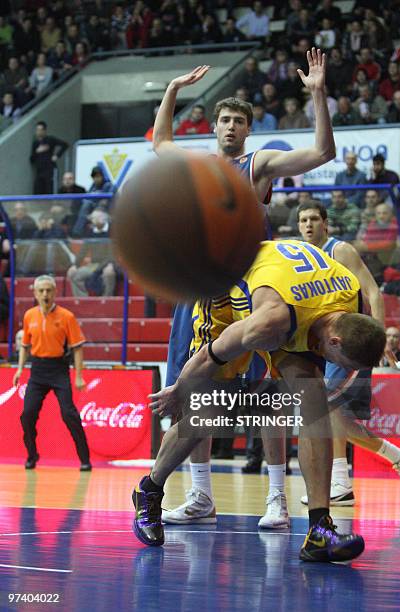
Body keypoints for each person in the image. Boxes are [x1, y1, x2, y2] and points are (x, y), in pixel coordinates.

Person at [133, 52, 373, 561]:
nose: (231, 128)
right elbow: (160, 144)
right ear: (214, 125)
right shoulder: (197, 165)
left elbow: (323, 150)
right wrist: (173, 90)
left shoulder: (256, 164)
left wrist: (318, 94)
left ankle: (317, 523)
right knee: (205, 408)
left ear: (247, 130)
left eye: (240, 121)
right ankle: (155, 488)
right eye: (224, 119)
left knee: (304, 401)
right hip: (216, 300)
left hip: (261, 292)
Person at [134, 238, 386, 561]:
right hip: (229, 290)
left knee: (314, 398)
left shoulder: (351, 295)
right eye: (344, 364)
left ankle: (319, 530)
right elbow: (213, 355)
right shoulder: (270, 321)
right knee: (211, 409)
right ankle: (150, 490)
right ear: (335, 340)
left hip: (294, 301)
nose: (342, 370)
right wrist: (180, 389)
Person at [297, 202, 400, 506]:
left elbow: (373, 291)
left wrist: (377, 339)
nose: (308, 225)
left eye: (314, 219)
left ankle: (396, 460)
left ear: (325, 223)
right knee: (333, 413)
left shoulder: (340, 251)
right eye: (303, 220)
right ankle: (346, 481)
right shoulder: (300, 256)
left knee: (326, 412)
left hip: (350, 343)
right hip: (325, 345)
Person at [13, 275, 91, 471]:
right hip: (37, 370)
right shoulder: (30, 315)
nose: (45, 294)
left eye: (48, 290)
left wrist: (79, 375)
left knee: (68, 414)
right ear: (35, 293)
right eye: (41, 291)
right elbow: (25, 345)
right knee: (27, 414)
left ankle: (84, 459)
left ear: (55, 292)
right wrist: (20, 369)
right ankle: (32, 454)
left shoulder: (67, 316)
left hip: (59, 369)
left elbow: (77, 348)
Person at [67, 208, 116, 297]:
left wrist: (105, 266)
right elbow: (83, 251)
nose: (94, 220)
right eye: (93, 218)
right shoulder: (90, 232)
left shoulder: (113, 230)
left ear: (104, 218)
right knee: (73, 274)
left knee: (109, 272)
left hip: (110, 263)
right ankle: (83, 300)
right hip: (94, 265)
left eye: (97, 218)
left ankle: (107, 299)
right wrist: (75, 265)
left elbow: (113, 254)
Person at [29, 121, 68, 195]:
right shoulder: (35, 143)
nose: (38, 132)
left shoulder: (50, 139)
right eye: (37, 130)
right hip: (39, 171)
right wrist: (37, 151)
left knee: (49, 190)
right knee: (37, 191)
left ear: (44, 131)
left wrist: (57, 155)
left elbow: (65, 144)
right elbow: (32, 159)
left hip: (49, 170)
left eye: (40, 130)